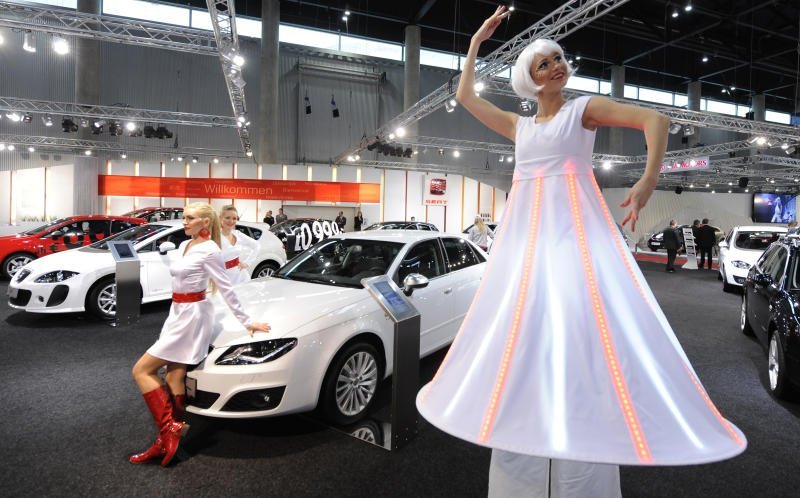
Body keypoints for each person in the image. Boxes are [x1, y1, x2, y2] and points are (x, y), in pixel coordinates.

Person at [415, 6, 745, 497]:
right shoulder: (519, 126)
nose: (556, 66)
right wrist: (476, 42)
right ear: (530, 79)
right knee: (522, 335)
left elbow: (655, 119)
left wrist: (648, 179)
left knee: (583, 331)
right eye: (544, 64)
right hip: (528, 248)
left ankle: (584, 430)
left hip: (573, 239)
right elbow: (464, 95)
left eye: (558, 59)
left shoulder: (581, 110)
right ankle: (529, 427)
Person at [129, 202, 270, 466]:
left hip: (193, 316)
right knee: (174, 374)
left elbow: (226, 288)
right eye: (184, 217)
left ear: (205, 222)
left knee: (141, 370)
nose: (184, 222)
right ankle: (168, 439)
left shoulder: (211, 250)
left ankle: (168, 431)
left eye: (190, 218)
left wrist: (247, 322)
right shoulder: (185, 245)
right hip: (177, 312)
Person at [219, 205, 260, 285]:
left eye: (234, 218)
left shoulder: (238, 234)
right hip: (224, 279)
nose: (231, 221)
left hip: (242, 276)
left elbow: (256, 245)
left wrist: (247, 263)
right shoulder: (215, 237)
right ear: (220, 218)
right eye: (227, 218)